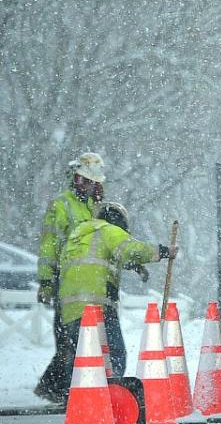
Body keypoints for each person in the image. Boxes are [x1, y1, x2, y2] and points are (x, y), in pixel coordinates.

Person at [44, 201, 178, 402]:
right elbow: (130, 249)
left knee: (81, 356)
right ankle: (109, 400)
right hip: (97, 305)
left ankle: (80, 399)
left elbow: (98, 260)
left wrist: (135, 266)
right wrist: (163, 251)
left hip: (70, 307)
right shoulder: (108, 230)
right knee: (113, 353)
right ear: (118, 220)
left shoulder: (78, 235)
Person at [34, 152, 107, 403]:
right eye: (84, 180)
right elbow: (49, 245)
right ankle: (63, 389)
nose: (88, 185)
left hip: (87, 282)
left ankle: (55, 387)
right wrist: (46, 281)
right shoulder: (62, 205)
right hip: (65, 281)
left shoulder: (92, 207)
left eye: (92, 182)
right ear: (75, 178)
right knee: (69, 337)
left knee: (77, 337)